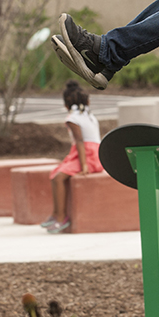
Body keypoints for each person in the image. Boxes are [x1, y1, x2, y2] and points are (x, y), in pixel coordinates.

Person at [41, 82, 103, 234]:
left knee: (58, 177)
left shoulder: (73, 118)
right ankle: (55, 214)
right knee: (55, 174)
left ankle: (61, 217)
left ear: (66, 103)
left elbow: (80, 142)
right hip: (93, 153)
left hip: (88, 156)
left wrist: (84, 166)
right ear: (86, 101)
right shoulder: (88, 115)